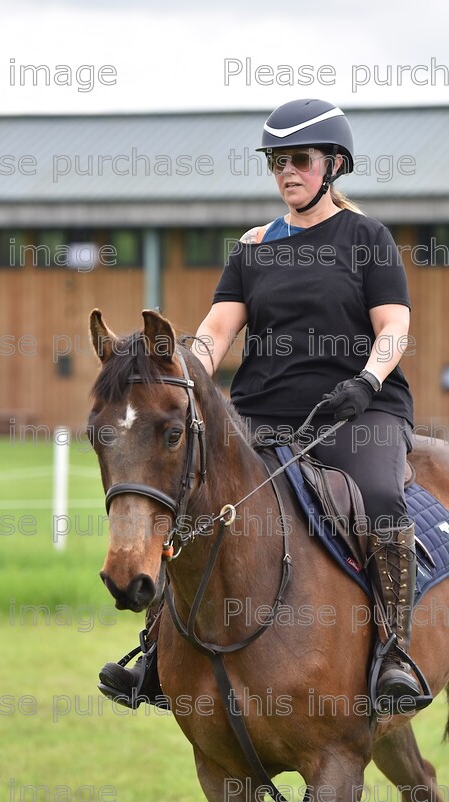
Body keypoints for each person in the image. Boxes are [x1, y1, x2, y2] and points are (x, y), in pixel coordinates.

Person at [99, 98, 421, 711]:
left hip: (357, 411)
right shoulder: (253, 246)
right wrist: (180, 373)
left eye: (299, 160)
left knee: (380, 496)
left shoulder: (367, 238)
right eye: (277, 161)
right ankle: (155, 654)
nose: (286, 172)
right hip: (264, 415)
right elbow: (216, 332)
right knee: (193, 491)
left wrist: (368, 380)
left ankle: (394, 652)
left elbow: (395, 328)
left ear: (333, 165)